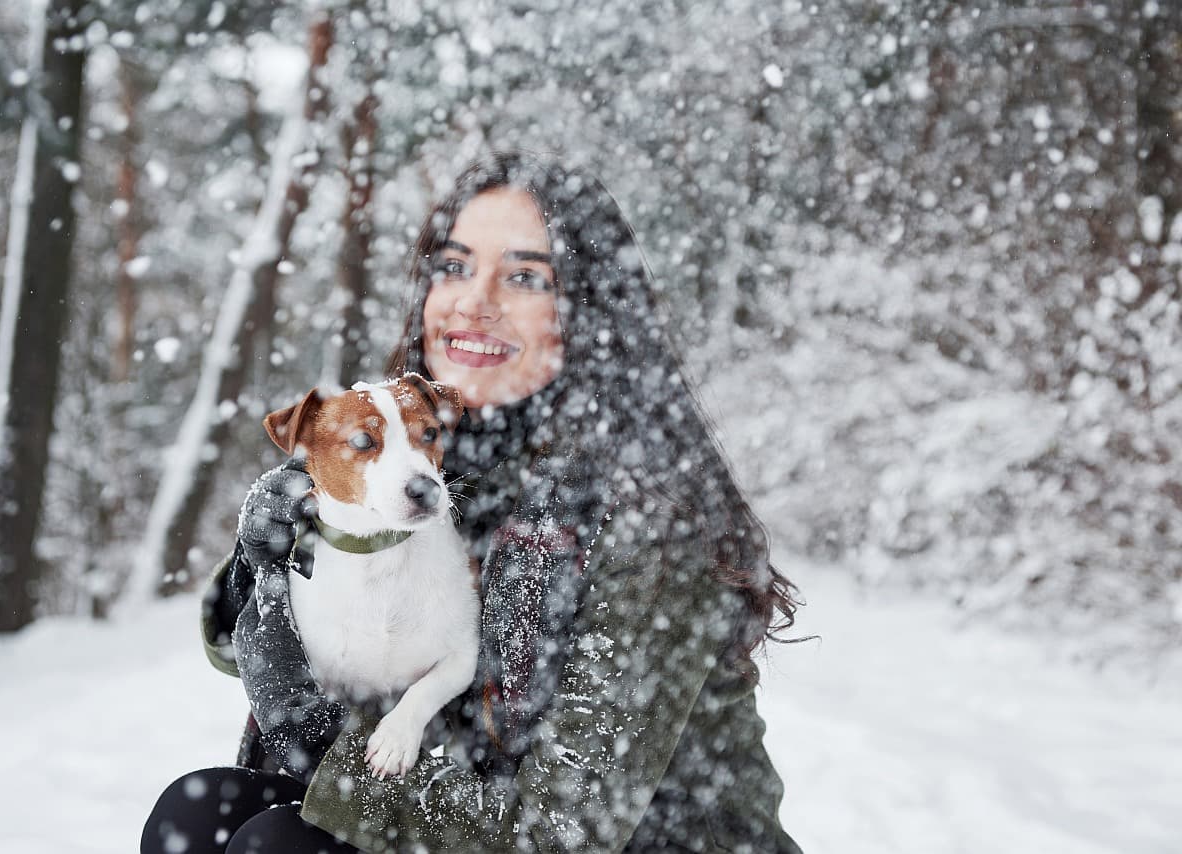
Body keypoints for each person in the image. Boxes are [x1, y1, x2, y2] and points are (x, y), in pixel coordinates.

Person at [142, 151, 803, 853]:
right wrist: (264, 571)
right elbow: (317, 641)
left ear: (588, 312)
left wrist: (327, 749)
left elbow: (561, 834)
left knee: (281, 846)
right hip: (463, 809)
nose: (473, 300)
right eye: (454, 267)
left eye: (524, 277)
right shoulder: (424, 461)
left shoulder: (648, 518)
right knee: (198, 815)